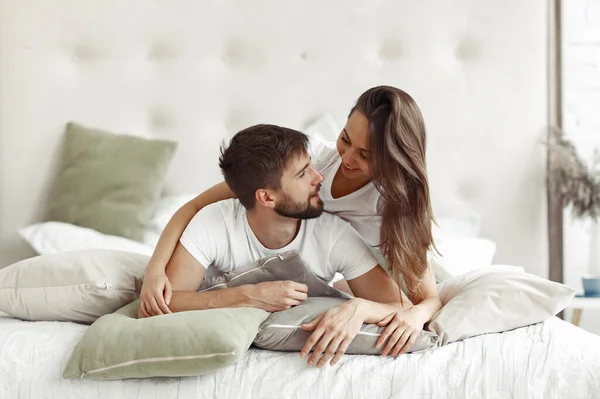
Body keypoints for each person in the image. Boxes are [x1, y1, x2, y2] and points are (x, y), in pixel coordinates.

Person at [139, 85, 442, 360]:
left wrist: (363, 308)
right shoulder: (310, 161)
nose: (346, 159)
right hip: (324, 259)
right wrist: (154, 269)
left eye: (365, 154)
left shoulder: (390, 209)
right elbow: (194, 205)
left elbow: (426, 299)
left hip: (377, 262)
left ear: (392, 157)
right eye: (345, 139)